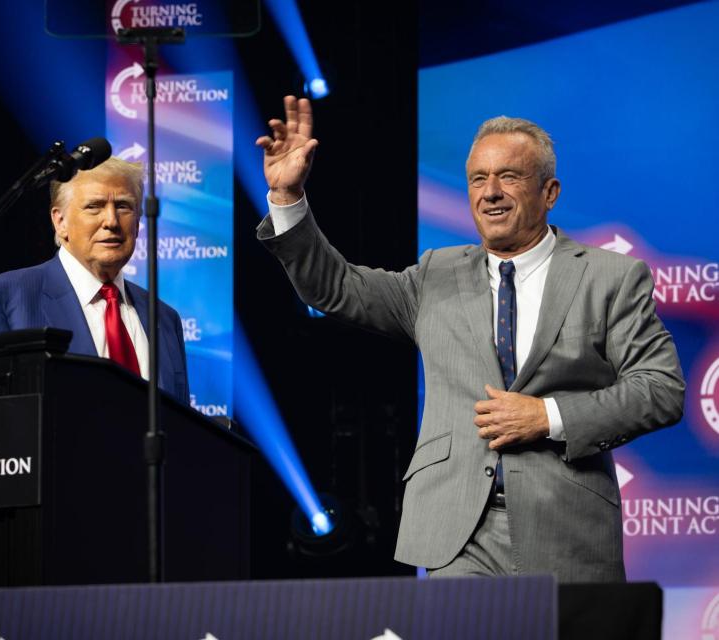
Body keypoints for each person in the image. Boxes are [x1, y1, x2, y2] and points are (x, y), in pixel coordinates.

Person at [255, 96, 684, 582]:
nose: (491, 192)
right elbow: (335, 287)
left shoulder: (610, 277)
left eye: (509, 176)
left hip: (567, 528)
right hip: (456, 531)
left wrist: (548, 416)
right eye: (478, 179)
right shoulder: (436, 274)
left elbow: (661, 389)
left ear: (550, 192)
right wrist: (288, 200)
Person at [0, 157, 189, 404]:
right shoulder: (2, 299)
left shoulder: (165, 319)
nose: (112, 221)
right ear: (60, 222)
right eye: (94, 206)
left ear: (137, 223)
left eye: (124, 206)